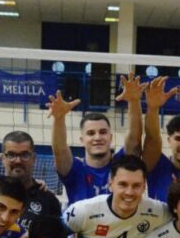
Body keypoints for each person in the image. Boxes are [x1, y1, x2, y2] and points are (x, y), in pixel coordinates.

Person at [47, 73, 144, 204]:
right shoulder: (74, 169)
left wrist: (133, 101)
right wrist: (59, 118)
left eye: (103, 132)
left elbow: (135, 139)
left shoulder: (122, 163)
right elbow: (60, 149)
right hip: (82, 224)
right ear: (82, 140)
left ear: (110, 137)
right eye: (91, 133)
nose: (97, 137)